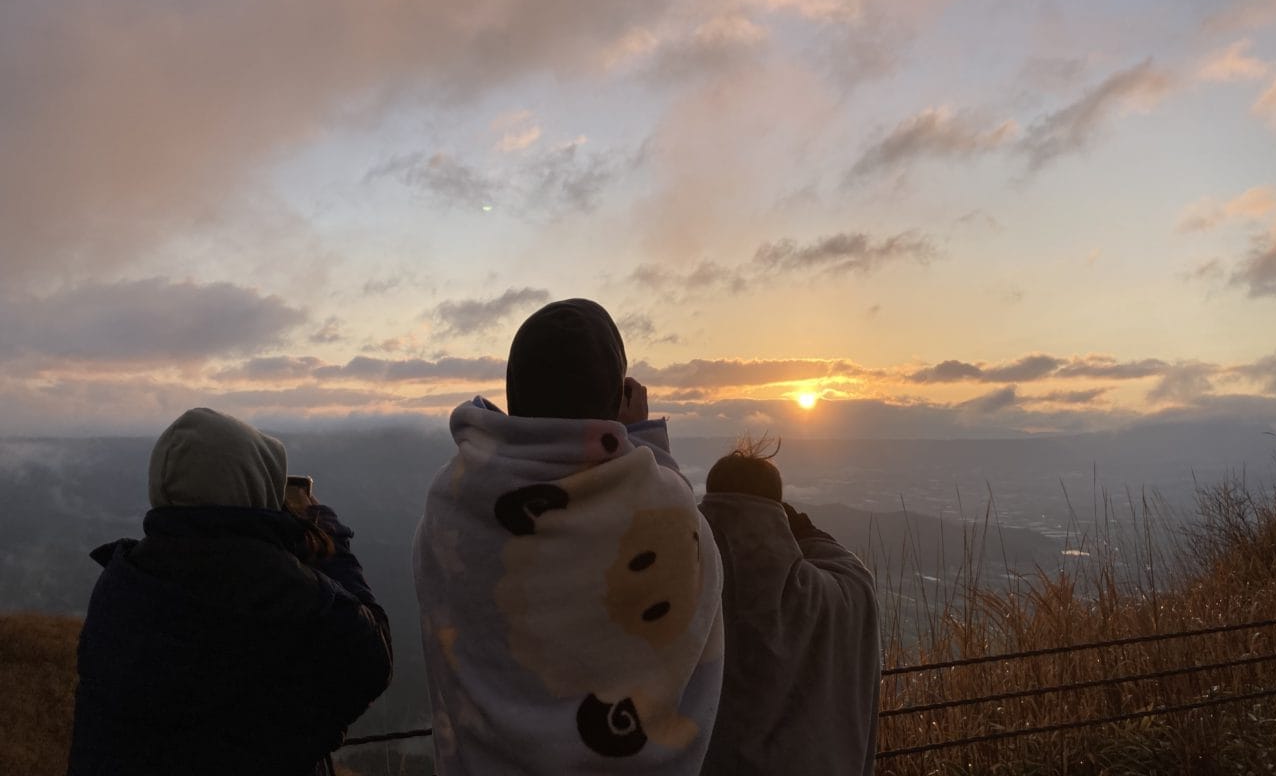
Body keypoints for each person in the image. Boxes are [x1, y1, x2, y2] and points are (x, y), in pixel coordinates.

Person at [413, 297, 724, 775]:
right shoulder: (667, 509)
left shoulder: (451, 503)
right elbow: (688, 560)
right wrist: (644, 441)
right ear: (615, 399)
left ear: (514, 395)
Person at [67, 407, 393, 776]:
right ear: (250, 486)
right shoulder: (282, 587)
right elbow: (373, 658)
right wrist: (332, 545)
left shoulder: (122, 577)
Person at [698, 439, 881, 776]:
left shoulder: (692, 591)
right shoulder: (833, 594)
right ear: (777, 511)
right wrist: (805, 529)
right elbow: (856, 576)